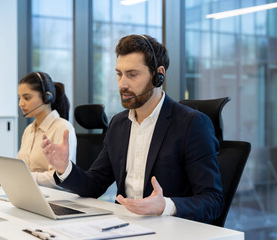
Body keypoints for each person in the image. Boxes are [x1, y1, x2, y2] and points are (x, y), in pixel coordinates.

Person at [41, 34, 224, 224]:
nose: (122, 84)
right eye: (119, 74)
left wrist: (166, 206)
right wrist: (64, 167)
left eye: (132, 74)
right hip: (124, 226)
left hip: (168, 229)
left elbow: (213, 200)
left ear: (158, 75)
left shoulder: (192, 124)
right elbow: (94, 184)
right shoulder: (118, 124)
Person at [0, 71, 77, 189]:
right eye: (20, 98)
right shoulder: (29, 130)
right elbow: (23, 169)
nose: (20, 104)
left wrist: (8, 175)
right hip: (28, 192)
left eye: (27, 98)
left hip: (54, 197)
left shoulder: (62, 128)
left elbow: (57, 178)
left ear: (47, 97)